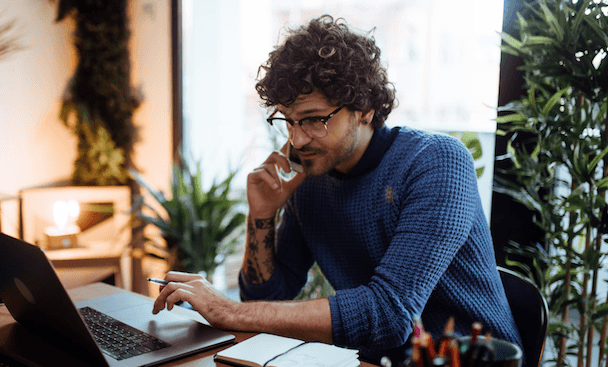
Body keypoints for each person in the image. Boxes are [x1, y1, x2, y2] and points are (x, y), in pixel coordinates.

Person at [151, 14, 523, 364]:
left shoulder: (436, 162)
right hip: (373, 361)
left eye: (314, 120)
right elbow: (267, 298)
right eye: (288, 121)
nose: (296, 139)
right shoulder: (309, 178)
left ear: (364, 108)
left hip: (470, 359)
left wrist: (228, 308)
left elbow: (389, 314)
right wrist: (262, 214)